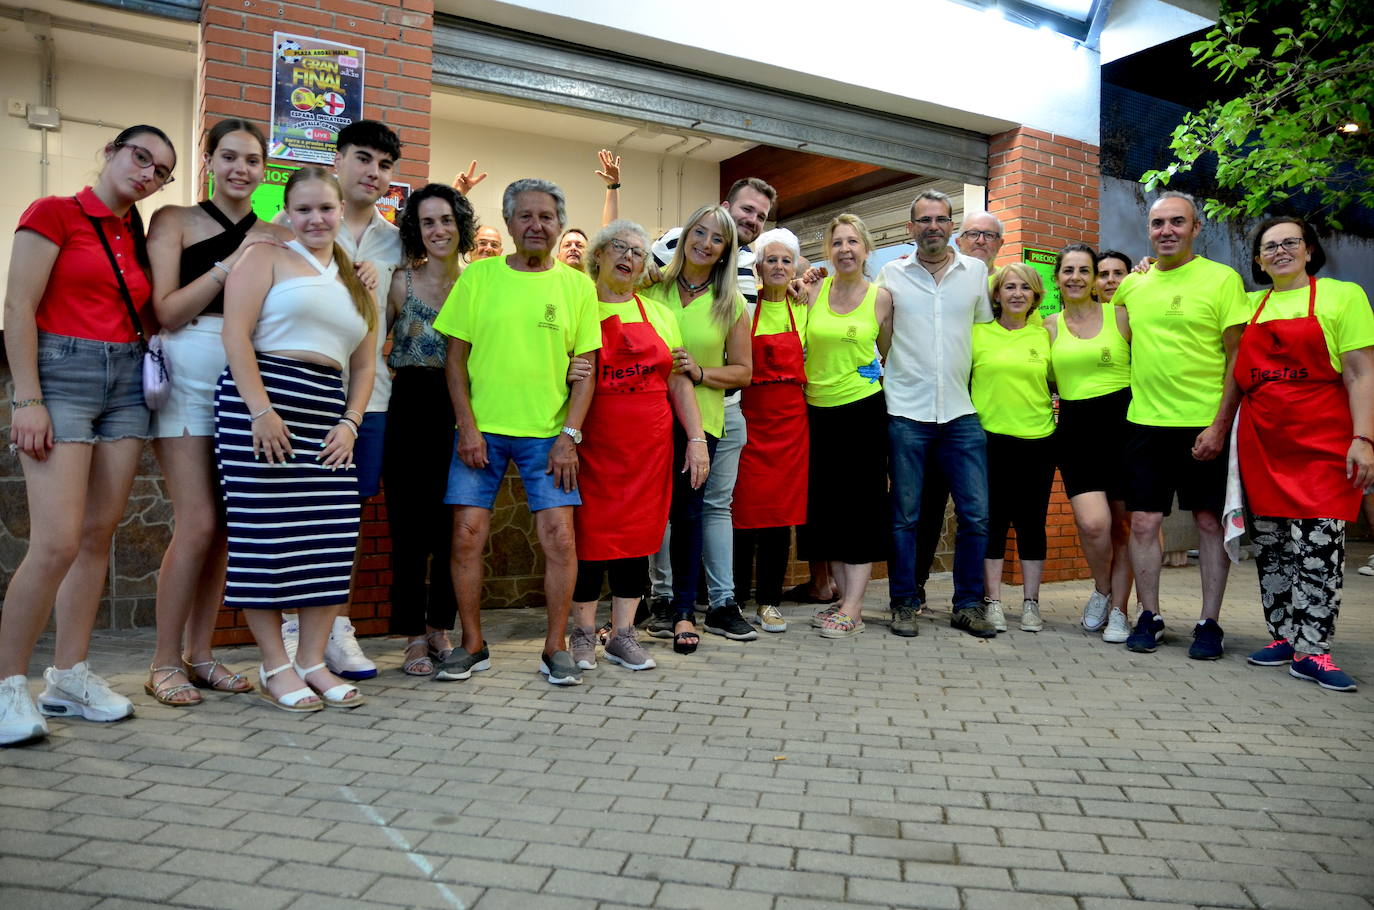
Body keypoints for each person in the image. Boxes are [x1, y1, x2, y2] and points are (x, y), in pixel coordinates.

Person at [0, 125, 176, 744]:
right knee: (54, 542)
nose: (147, 173)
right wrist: (28, 397)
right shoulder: (54, 213)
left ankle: (68, 677)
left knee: (98, 534)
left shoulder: (137, 234)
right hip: (62, 373)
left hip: (127, 379)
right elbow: (18, 306)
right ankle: (5, 685)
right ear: (110, 152)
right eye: (140, 156)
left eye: (160, 170)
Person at [215, 165, 376, 712]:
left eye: (325, 208)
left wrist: (352, 422)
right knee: (265, 539)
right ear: (286, 210)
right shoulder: (263, 256)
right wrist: (260, 410)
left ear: (339, 211)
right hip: (263, 403)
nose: (315, 218)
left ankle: (311, 660)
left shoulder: (356, 275)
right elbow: (233, 335)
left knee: (330, 539)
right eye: (303, 208)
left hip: (329, 417)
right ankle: (274, 665)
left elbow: (363, 364)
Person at [142, 119, 290, 705]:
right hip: (186, 373)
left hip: (248, 379)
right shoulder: (173, 221)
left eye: (252, 160)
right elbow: (167, 310)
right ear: (209, 161)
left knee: (227, 529)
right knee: (197, 521)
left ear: (263, 169)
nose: (240, 169)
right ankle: (162, 663)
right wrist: (231, 266)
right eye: (229, 157)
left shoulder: (278, 232)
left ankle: (200, 655)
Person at [433, 178, 600, 686]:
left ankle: (555, 649)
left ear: (558, 224)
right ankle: (473, 645)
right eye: (525, 216)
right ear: (508, 224)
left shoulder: (577, 286)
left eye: (546, 217)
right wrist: (466, 426)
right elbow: (455, 361)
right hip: (479, 431)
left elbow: (586, 365)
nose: (536, 225)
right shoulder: (479, 278)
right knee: (465, 537)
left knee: (560, 541)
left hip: (547, 436)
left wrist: (569, 436)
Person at [277, 120, 403, 681]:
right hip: (298, 394)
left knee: (343, 519)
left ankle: (335, 627)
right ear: (338, 159)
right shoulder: (286, 226)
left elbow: (397, 322)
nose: (372, 172)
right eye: (363, 159)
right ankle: (288, 629)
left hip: (368, 400)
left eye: (383, 165)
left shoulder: (396, 241)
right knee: (294, 512)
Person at [1238, 217, 1374, 692]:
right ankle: (1283, 635)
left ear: (1310, 250)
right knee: (1273, 549)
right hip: (1263, 444)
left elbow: (1360, 373)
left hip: (1323, 444)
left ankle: (1313, 649)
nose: (1279, 252)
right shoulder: (1250, 305)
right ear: (1257, 260)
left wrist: (1365, 438)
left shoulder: (1344, 296)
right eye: (1268, 247)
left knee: (1320, 549)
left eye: (1289, 243)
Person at [1113, 191, 1248, 659]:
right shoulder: (1132, 286)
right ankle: (1149, 616)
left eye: (1176, 222)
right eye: (1157, 223)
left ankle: (1209, 623)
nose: (1166, 230)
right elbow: (1128, 340)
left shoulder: (1222, 279)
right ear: (1148, 230)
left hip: (1203, 423)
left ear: (1196, 228)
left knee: (1210, 522)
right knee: (1144, 522)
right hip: (1145, 423)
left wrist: (1219, 424)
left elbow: (1237, 357)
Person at [569, 221, 710, 668]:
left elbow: (678, 383)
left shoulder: (659, 314)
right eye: (619, 247)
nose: (628, 257)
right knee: (587, 540)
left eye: (637, 251)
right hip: (593, 446)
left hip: (648, 449)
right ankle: (582, 634)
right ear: (599, 254)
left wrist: (696, 438)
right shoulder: (578, 305)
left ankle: (624, 634)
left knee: (636, 540)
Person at [650, 178, 775, 631]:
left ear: (726, 250)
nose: (705, 243)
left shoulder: (731, 303)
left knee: (691, 512)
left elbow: (744, 372)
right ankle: (661, 602)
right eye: (699, 233)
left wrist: (701, 374)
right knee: (656, 512)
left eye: (716, 238)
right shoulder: (653, 289)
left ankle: (697, 607)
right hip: (649, 419)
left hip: (705, 421)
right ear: (683, 238)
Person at [880, 191, 996, 638]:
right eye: (923, 220)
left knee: (976, 515)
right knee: (905, 516)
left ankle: (967, 605)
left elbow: (985, 336)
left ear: (953, 226)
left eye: (941, 219)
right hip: (905, 411)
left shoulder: (976, 273)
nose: (932, 226)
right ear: (910, 229)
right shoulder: (890, 274)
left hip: (960, 412)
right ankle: (904, 603)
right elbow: (878, 333)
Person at [383, 184, 477, 676]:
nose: (438, 230)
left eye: (445, 219)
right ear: (415, 231)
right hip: (409, 408)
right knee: (409, 526)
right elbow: (371, 350)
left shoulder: (481, 283)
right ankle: (413, 636)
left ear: (460, 224)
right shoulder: (401, 282)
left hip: (464, 413)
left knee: (453, 528)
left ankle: (442, 628)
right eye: (427, 223)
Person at [798, 214, 893, 638]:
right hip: (817, 412)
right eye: (838, 243)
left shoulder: (881, 298)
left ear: (866, 248)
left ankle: (854, 607)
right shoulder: (814, 290)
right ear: (829, 251)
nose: (845, 249)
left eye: (853, 241)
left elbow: (889, 354)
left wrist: (874, 374)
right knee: (829, 509)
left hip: (862, 412)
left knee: (859, 509)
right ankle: (840, 599)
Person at [1045, 244, 1135, 643]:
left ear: (1098, 278)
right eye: (1068, 270)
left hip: (1125, 426)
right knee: (1094, 524)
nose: (1077, 277)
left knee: (1125, 527)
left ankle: (1120, 609)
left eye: (1086, 270)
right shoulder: (1048, 327)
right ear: (1058, 278)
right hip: (1076, 431)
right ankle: (1103, 589)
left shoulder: (1122, 317)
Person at [732, 228, 809, 633]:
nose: (779, 266)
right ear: (757, 267)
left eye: (786, 260)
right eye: (771, 260)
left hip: (791, 425)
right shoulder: (746, 307)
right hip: (751, 420)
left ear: (795, 266)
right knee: (742, 514)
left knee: (780, 518)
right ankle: (736, 597)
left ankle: (770, 602)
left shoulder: (806, 307)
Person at [971, 265, 1055, 632]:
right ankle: (992, 602)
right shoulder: (977, 334)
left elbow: (1060, 382)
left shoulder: (1046, 335)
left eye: (1025, 287)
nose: (1017, 293)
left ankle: (1031, 604)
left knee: (1031, 523)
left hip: (1037, 441)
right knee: (993, 524)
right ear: (997, 294)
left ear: (1035, 296)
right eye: (1009, 287)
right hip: (988, 441)